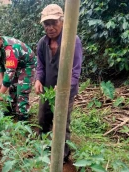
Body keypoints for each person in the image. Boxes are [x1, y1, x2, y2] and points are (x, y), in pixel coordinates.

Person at [34, 4, 83, 163]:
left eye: (54, 23)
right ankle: (42, 147)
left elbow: (75, 70)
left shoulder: (72, 40)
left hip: (66, 91)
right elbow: (40, 65)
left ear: (62, 21)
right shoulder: (42, 43)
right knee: (43, 118)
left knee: (62, 123)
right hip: (47, 89)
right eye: (46, 24)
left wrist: (63, 88)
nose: (50, 27)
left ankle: (61, 157)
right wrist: (38, 80)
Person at [0, 27, 37, 121]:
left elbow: (10, 72)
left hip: (27, 65)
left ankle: (23, 117)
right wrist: (1, 80)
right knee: (12, 88)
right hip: (16, 64)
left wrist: (0, 93)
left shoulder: (10, 48)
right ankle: (12, 111)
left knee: (22, 91)